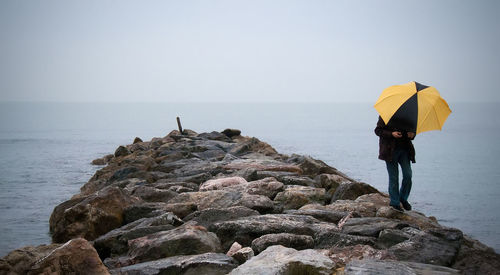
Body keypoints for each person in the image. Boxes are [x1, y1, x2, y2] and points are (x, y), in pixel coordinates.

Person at [374, 116, 416, 212]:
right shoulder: (385, 114)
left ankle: (403, 198)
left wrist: (412, 135)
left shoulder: (409, 115)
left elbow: (412, 132)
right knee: (394, 177)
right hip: (389, 151)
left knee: (408, 175)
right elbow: (378, 131)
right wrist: (391, 134)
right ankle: (395, 202)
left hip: (405, 150)